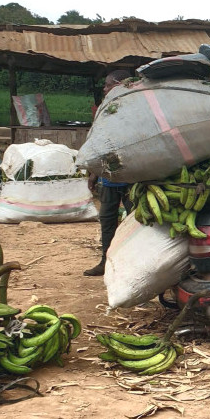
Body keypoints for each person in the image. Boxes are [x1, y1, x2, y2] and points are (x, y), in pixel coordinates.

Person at [83, 70, 133, 277]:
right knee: (107, 218)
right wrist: (94, 172)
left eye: (107, 85)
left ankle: (132, 262)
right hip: (109, 177)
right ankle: (106, 260)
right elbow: (99, 141)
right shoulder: (106, 110)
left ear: (119, 84)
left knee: (134, 220)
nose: (104, 89)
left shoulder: (134, 108)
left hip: (132, 175)